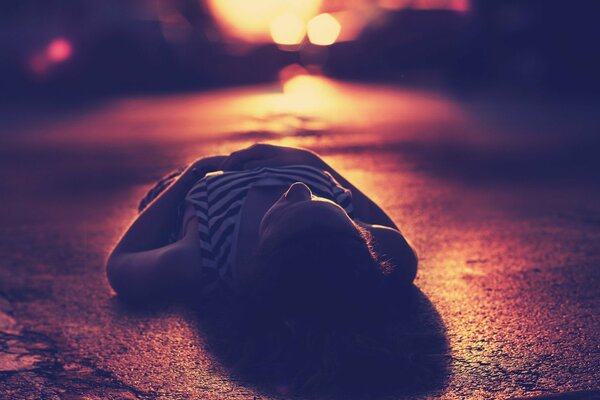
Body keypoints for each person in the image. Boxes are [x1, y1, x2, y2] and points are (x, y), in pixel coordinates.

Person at [106, 143, 418, 391]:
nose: (298, 187)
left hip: (195, 182)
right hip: (287, 161)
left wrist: (192, 172)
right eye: (323, 200)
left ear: (264, 250)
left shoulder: (205, 255)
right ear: (360, 235)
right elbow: (395, 240)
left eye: (289, 206)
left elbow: (121, 263)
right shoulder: (373, 249)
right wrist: (314, 164)